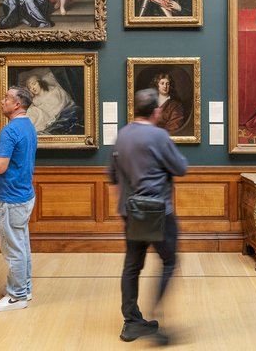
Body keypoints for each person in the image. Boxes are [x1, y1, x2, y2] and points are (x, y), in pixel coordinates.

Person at [109, 88, 188, 343]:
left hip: (130, 211)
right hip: (157, 211)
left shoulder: (122, 135)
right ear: (156, 111)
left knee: (132, 265)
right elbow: (180, 168)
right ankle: (157, 314)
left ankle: (132, 322)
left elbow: (112, 175)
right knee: (169, 261)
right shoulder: (158, 135)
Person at [0, 86, 37, 312]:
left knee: (13, 248)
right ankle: (24, 289)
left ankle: (16, 297)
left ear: (17, 105)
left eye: (7, 98)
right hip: (23, 194)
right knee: (21, 245)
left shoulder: (10, 130)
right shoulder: (28, 126)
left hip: (11, 197)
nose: (3, 101)